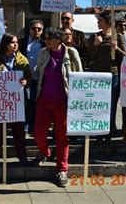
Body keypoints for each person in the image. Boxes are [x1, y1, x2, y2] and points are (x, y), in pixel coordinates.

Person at [34, 27, 82, 187]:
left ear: (58, 40)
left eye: (49, 38)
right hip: (44, 100)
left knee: (62, 137)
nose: (46, 41)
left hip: (63, 101)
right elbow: (38, 72)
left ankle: (62, 169)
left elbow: (79, 74)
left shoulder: (71, 53)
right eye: (45, 38)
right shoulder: (43, 52)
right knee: (39, 133)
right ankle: (46, 152)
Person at [0, 33, 31, 166]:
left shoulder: (22, 60)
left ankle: (22, 156)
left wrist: (25, 82)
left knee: (19, 131)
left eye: (16, 42)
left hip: (16, 102)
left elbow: (29, 78)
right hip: (0, 101)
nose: (15, 44)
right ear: (5, 44)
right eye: (12, 42)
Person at [88, 11, 126, 134]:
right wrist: (95, 45)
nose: (97, 22)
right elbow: (90, 56)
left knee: (112, 103)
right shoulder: (95, 36)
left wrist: (117, 48)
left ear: (107, 22)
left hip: (113, 75)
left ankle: (111, 127)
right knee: (99, 103)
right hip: (98, 76)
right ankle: (99, 127)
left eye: (100, 20)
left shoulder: (118, 36)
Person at [18, 20, 46, 136]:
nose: (36, 31)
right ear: (29, 30)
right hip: (25, 78)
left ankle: (34, 128)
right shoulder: (22, 43)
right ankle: (25, 125)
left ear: (42, 31)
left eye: (39, 29)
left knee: (37, 104)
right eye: (34, 28)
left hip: (40, 79)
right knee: (25, 103)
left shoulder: (45, 44)